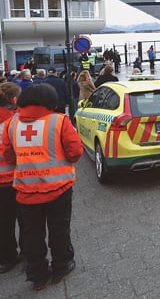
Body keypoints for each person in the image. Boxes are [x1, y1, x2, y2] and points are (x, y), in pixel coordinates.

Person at [0, 83, 83, 291]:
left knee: (32, 233)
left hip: (26, 190)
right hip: (59, 188)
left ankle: (37, 275)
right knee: (59, 229)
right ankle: (61, 266)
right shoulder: (60, 121)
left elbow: (9, 156)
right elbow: (75, 152)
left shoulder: (12, 125)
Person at [0, 82, 22, 275]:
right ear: (13, 99)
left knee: (3, 222)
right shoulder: (14, 121)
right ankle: (28, 253)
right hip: (15, 178)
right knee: (26, 219)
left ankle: (7, 257)